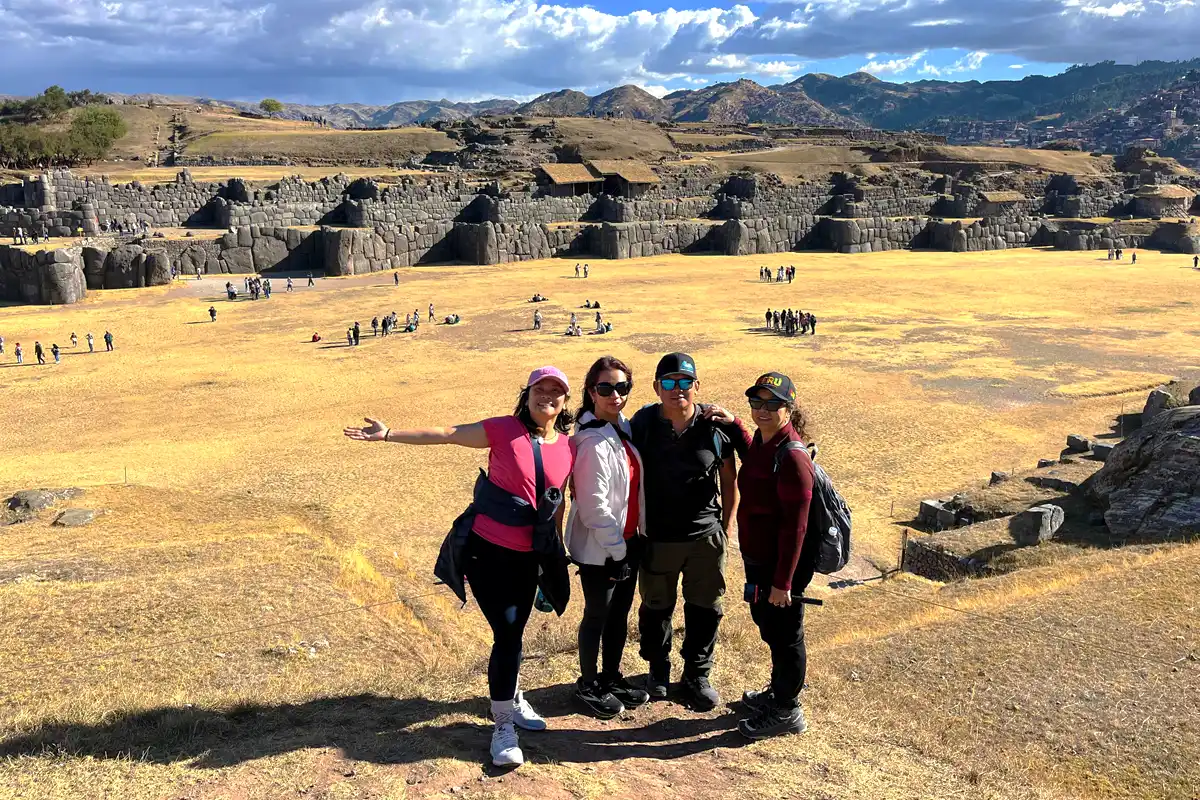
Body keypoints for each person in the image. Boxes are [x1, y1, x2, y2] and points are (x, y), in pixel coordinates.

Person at [343, 366, 576, 768]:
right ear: (528, 393)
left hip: (529, 558)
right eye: (541, 389)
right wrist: (387, 433)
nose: (547, 397)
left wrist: (550, 557)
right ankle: (503, 726)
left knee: (513, 634)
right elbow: (448, 433)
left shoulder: (567, 447)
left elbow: (556, 506)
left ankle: (512, 697)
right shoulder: (502, 429)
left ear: (564, 403)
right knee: (507, 633)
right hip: (486, 555)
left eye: (556, 392)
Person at [630, 353, 742, 710]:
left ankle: (697, 673)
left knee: (706, 607)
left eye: (684, 382)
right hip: (658, 537)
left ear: (696, 386)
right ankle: (658, 668)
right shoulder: (644, 423)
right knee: (655, 607)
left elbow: (729, 480)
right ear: (656, 388)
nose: (677, 390)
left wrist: (723, 529)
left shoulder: (715, 427)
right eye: (668, 383)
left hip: (704, 538)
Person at [730, 372, 816, 739]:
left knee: (786, 635)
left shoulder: (792, 458)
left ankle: (786, 709)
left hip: (783, 566)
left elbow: (795, 528)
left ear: (789, 408)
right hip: (759, 560)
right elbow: (751, 451)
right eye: (756, 402)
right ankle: (778, 690)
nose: (762, 410)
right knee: (768, 627)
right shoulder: (765, 445)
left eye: (772, 404)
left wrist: (783, 583)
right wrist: (733, 423)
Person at [567, 356, 651, 719]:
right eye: (605, 388)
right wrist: (618, 551)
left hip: (627, 542)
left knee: (619, 615)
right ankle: (588, 684)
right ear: (591, 391)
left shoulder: (622, 429)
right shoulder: (591, 442)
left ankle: (611, 677)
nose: (614, 394)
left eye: (622, 387)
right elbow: (592, 507)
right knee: (598, 614)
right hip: (601, 549)